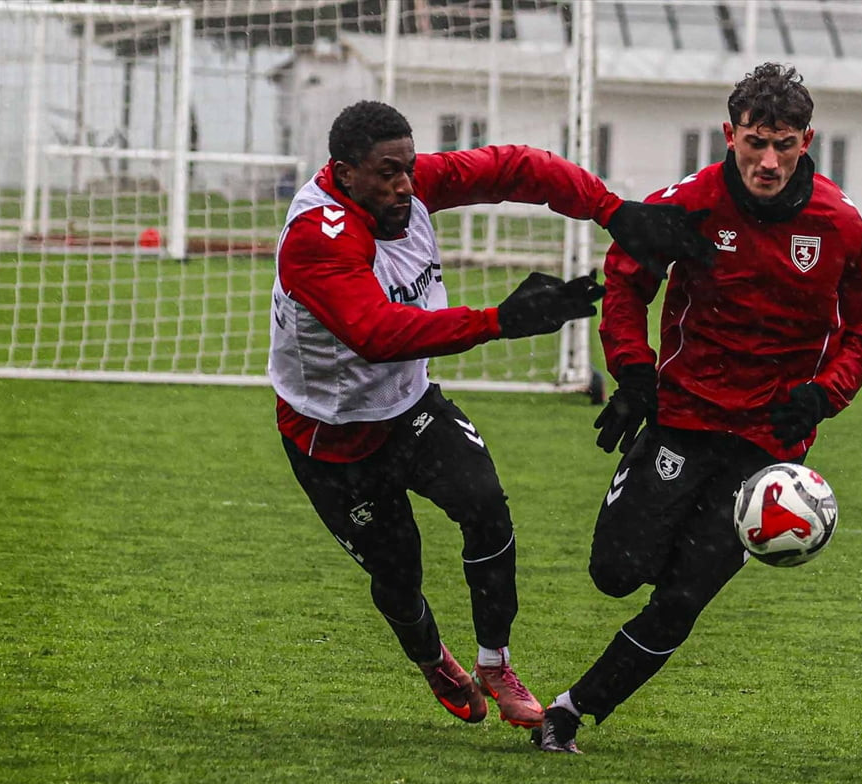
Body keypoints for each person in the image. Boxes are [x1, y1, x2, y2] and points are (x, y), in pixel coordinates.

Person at [270, 100, 714, 730]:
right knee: (398, 573)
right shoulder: (318, 237)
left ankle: (494, 664)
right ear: (344, 174)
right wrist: (499, 322)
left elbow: (515, 168)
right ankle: (431, 659)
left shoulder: (411, 185)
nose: (404, 185)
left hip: (409, 407)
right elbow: (375, 331)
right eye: (387, 173)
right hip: (330, 436)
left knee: (485, 504)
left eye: (409, 168)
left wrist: (613, 211)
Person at [533, 63, 862, 753]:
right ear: (729, 134)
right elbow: (625, 279)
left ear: (806, 140)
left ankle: (570, 714)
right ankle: (680, 551)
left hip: (768, 447)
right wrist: (633, 371)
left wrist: (825, 394)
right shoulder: (690, 204)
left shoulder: (839, 225)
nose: (768, 160)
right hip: (685, 419)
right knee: (615, 573)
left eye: (784, 144)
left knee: (683, 599)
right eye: (755, 141)